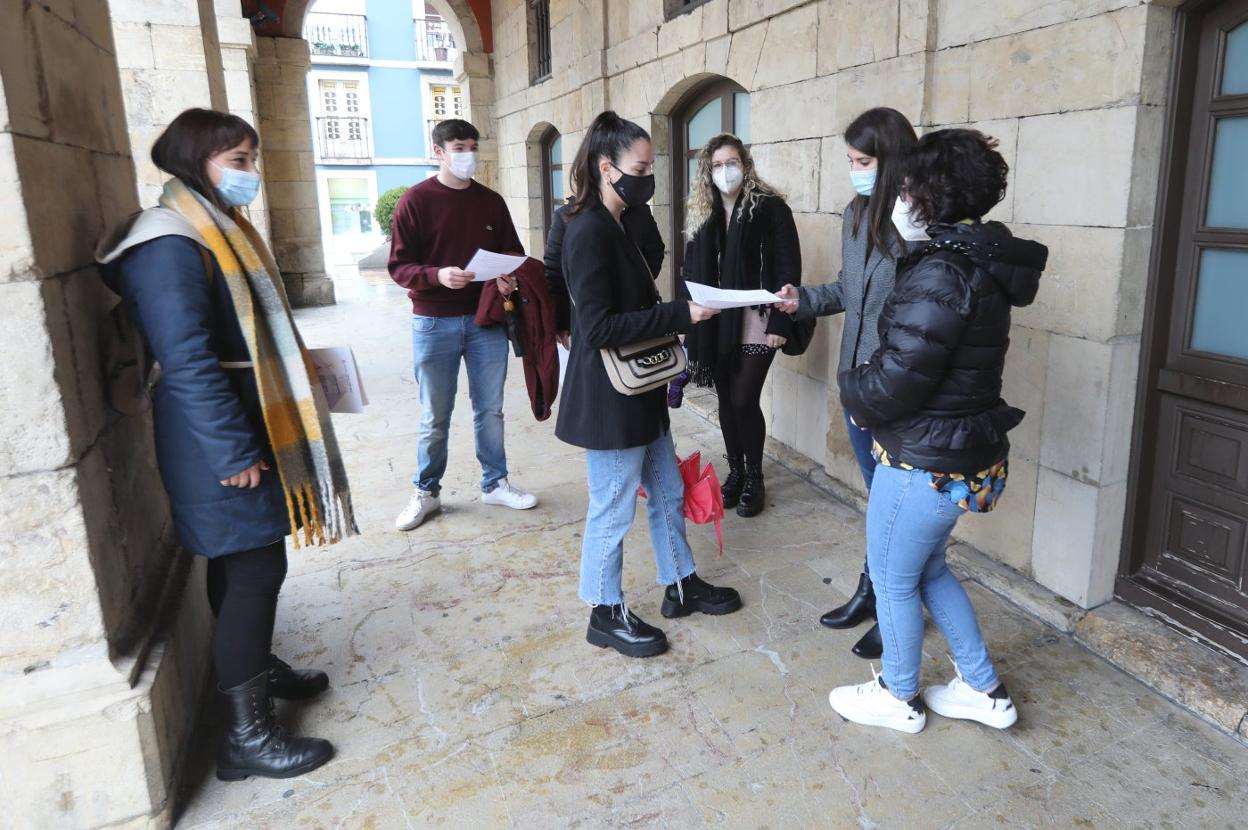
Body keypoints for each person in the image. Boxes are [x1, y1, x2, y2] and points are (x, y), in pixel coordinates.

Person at [97, 108, 358, 780]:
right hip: (217, 439)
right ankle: (246, 740)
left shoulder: (214, 228)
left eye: (251, 158)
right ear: (194, 160)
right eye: (237, 160)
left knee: (243, 563)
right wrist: (233, 451)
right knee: (255, 570)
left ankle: (256, 669)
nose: (251, 174)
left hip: (240, 426)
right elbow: (185, 360)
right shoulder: (171, 240)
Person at [825, 128, 1047, 733]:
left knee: (895, 578)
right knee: (928, 570)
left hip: (924, 455)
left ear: (929, 194)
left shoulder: (943, 271)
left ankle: (899, 697)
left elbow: (899, 379)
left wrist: (851, 386)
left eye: (906, 186)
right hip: (958, 449)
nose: (898, 197)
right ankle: (983, 689)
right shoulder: (977, 262)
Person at [557, 111, 743, 658]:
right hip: (609, 399)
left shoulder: (624, 222)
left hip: (641, 389)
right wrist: (680, 314)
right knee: (613, 507)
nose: (647, 176)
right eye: (639, 167)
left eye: (650, 166)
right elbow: (597, 328)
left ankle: (680, 583)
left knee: (665, 491)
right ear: (606, 167)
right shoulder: (587, 228)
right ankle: (603, 610)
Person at [775, 107, 919, 659]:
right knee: (879, 501)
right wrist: (802, 299)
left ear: (892, 160)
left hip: (897, 390)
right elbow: (849, 291)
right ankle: (873, 586)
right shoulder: (855, 214)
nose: (855, 171)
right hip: (855, 383)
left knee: (899, 508)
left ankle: (893, 602)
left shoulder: (916, 226)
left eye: (863, 161)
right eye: (851, 161)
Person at [388, 119, 538, 531]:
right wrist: (438, 275)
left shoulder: (490, 201)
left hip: (485, 318)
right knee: (435, 413)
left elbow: (513, 252)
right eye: (458, 147)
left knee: (490, 409)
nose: (467, 154)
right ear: (438, 150)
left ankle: (495, 482)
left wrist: (508, 274)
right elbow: (399, 266)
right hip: (433, 320)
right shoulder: (415, 202)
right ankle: (426, 492)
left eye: (472, 146)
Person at [681, 134, 800, 518]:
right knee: (725, 400)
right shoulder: (703, 209)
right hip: (715, 319)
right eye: (716, 165)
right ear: (707, 170)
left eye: (731, 163)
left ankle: (755, 477)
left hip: (758, 318)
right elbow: (689, 266)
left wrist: (782, 318)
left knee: (743, 398)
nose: (724, 171)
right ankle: (734, 471)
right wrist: (688, 315)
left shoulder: (770, 208)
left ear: (745, 165)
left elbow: (787, 267)